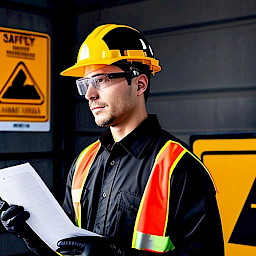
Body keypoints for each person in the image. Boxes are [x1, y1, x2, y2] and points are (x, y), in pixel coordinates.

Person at [0, 24, 224, 256]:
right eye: (85, 83)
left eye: (101, 80)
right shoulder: (82, 164)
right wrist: (31, 233)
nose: (89, 95)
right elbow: (65, 248)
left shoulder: (180, 167)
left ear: (139, 83)